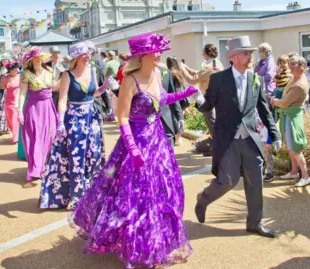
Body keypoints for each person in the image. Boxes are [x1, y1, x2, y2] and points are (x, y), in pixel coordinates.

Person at [71, 33, 198, 268]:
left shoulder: (158, 73)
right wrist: (132, 148)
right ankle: (136, 245)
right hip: (136, 143)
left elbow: (161, 99)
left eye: (160, 50)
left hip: (158, 142)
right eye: (156, 50)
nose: (160, 54)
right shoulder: (130, 80)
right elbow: (122, 116)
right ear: (143, 55)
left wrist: (185, 94)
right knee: (135, 196)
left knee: (162, 191)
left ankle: (155, 241)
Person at [194, 36, 281, 238]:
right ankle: (203, 199)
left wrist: (273, 133)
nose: (249, 56)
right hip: (228, 139)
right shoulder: (218, 79)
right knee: (227, 181)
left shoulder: (254, 78)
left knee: (255, 182)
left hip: (251, 138)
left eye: (250, 52)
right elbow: (208, 105)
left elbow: (263, 108)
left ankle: (254, 223)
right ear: (233, 57)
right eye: (245, 52)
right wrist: (198, 100)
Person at [40, 42, 110, 210]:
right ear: (76, 57)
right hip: (74, 120)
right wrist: (60, 122)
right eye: (84, 54)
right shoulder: (67, 75)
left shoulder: (93, 71)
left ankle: (93, 193)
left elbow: (92, 93)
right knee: (76, 157)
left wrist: (104, 88)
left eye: (90, 53)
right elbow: (63, 99)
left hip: (91, 118)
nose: (88, 57)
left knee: (93, 155)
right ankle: (76, 196)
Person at [17, 47, 57, 181]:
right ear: (31, 60)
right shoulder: (26, 74)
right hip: (33, 107)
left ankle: (46, 166)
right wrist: (19, 111)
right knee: (35, 137)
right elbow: (22, 93)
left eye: (40, 57)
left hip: (48, 106)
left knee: (50, 136)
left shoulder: (49, 71)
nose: (38, 59)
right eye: (35, 57)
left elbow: (54, 87)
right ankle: (36, 168)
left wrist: (65, 77)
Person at [271, 55, 310, 187]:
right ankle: (294, 172)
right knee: (290, 146)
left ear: (302, 66)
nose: (290, 65)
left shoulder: (299, 84)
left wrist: (272, 101)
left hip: (292, 117)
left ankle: (305, 176)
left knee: (294, 147)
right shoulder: (294, 78)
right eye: (290, 63)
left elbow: (284, 103)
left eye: (294, 64)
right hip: (288, 115)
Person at [180, 44, 224, 138]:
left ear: (205, 53)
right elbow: (201, 74)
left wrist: (183, 69)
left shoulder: (208, 66)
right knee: (215, 122)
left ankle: (218, 146)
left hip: (209, 98)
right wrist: (187, 68)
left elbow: (192, 79)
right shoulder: (216, 63)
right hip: (217, 97)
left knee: (211, 122)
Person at [0, 63, 20, 144]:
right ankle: (14, 133)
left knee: (15, 119)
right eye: (13, 70)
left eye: (16, 69)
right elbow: (1, 89)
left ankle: (16, 137)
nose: (15, 71)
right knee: (10, 120)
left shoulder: (20, 77)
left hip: (18, 101)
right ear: (10, 70)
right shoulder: (5, 78)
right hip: (8, 101)